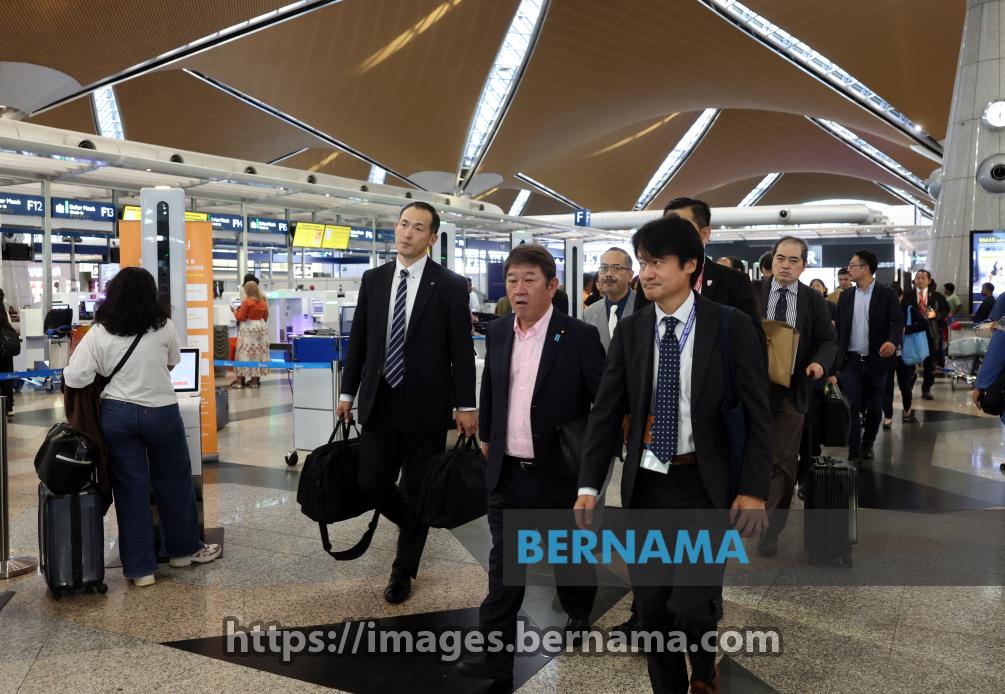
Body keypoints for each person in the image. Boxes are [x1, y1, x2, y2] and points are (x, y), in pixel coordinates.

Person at [576, 215, 770, 694]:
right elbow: (606, 414)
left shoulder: (730, 326)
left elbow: (757, 415)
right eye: (643, 262)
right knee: (653, 607)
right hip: (648, 485)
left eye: (657, 262)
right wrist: (588, 485)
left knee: (691, 602)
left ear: (690, 265)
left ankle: (703, 668)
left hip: (705, 484)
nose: (646, 273)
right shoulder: (633, 331)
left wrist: (752, 490)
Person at [458, 245, 604, 682]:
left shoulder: (578, 336)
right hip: (508, 472)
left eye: (529, 280)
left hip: (558, 470)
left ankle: (578, 610)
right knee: (505, 564)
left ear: (551, 286)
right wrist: (488, 436)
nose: (519, 290)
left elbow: (603, 404)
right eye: (512, 280)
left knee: (569, 555)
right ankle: (494, 651)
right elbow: (491, 385)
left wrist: (591, 467)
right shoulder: (500, 330)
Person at [335, 202, 477, 604]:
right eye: (402, 224)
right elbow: (359, 340)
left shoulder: (449, 284)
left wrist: (466, 405)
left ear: (432, 238)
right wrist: (347, 393)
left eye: (417, 228)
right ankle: (413, 520)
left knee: (416, 488)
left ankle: (403, 570)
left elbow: (461, 350)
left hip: (426, 406)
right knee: (371, 481)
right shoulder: (374, 279)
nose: (407, 233)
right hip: (380, 399)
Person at [63, 267, 221, 587]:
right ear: (152, 295)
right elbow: (173, 362)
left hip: (117, 415)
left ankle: (140, 570)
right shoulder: (164, 326)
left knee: (130, 490)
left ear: (113, 294)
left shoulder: (99, 331)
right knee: (174, 482)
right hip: (162, 413)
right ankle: (182, 551)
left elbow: (76, 377)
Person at [755, 237, 837, 558]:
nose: (785, 265)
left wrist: (819, 363)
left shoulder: (812, 300)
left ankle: (770, 529)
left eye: (793, 260)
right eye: (780, 258)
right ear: (772, 260)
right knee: (752, 456)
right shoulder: (753, 293)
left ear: (803, 266)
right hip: (752, 390)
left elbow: (828, 340)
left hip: (793, 390)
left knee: (784, 461)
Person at [634, 197, 765, 352]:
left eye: (681, 229)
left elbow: (753, 343)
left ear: (704, 234)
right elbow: (637, 336)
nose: (671, 237)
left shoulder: (733, 281)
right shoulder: (651, 280)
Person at [834, 251, 903, 463]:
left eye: (852, 265)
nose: (849, 269)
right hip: (851, 361)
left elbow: (897, 322)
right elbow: (840, 330)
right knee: (852, 406)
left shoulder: (886, 294)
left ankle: (868, 443)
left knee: (874, 408)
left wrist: (892, 341)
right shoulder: (846, 296)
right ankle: (854, 450)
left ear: (865, 268)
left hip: (876, 361)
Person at [882, 284, 924, 428]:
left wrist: (906, 329)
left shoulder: (909, 309)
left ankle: (907, 409)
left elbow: (924, 324)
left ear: (901, 296)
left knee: (905, 386)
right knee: (886, 386)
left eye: (896, 297)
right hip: (887, 354)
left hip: (906, 354)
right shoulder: (882, 310)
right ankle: (888, 416)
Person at [583, 247, 636, 350]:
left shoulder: (645, 308)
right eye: (604, 268)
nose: (608, 274)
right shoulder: (589, 314)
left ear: (630, 275)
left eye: (616, 268)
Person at [913, 269, 949, 400]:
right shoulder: (909, 295)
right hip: (913, 332)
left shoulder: (936, 296)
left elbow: (946, 311)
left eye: (923, 278)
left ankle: (926, 389)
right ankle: (909, 385)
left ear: (929, 280)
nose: (920, 280)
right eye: (918, 278)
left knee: (929, 363)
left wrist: (936, 315)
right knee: (910, 361)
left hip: (930, 333)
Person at [231, 280, 269, 389]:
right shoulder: (263, 301)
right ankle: (254, 383)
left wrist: (234, 311)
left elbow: (241, 317)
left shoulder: (247, 302)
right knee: (257, 355)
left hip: (248, 330)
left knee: (242, 354)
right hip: (260, 328)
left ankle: (239, 383)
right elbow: (265, 316)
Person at [0, 294, 17, 417]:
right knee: (7, 380)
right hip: (6, 352)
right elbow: (9, 324)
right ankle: (9, 406)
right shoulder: (4, 310)